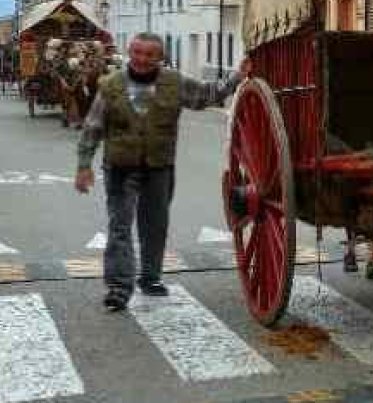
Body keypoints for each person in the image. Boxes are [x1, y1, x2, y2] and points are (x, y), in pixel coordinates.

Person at [74, 32, 249, 311]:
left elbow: (208, 95)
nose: (142, 60)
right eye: (138, 53)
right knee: (120, 226)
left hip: (159, 167)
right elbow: (93, 127)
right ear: (130, 53)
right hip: (121, 168)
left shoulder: (175, 83)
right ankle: (119, 287)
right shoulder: (110, 86)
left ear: (160, 58)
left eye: (150, 55)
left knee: (155, 225)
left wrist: (236, 79)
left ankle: (150, 277)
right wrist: (84, 166)